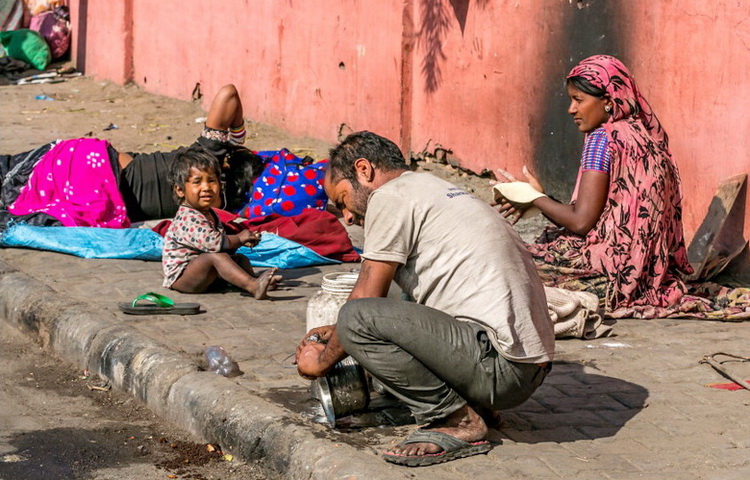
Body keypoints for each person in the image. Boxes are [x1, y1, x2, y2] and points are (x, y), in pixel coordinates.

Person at [295, 131, 554, 467]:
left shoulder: (390, 196)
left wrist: (320, 362)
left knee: (356, 319)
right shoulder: (430, 188)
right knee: (386, 307)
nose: (346, 217)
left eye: (342, 200)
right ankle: (476, 406)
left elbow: (365, 298)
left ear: (364, 170)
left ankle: (457, 420)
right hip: (523, 368)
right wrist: (334, 334)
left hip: (500, 369)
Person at [494, 55, 694, 318]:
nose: (571, 109)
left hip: (611, 274)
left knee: (505, 261)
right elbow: (603, 214)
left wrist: (533, 197)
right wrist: (543, 198)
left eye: (579, 100)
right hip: (647, 274)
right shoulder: (644, 137)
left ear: (608, 102)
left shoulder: (602, 140)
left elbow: (581, 223)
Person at [0, 84, 264, 230]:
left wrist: (236, 137)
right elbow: (228, 92)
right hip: (91, 170)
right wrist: (234, 141)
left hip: (87, 165)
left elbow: (229, 93)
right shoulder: (208, 167)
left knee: (16, 180)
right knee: (19, 191)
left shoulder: (208, 159)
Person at [162, 145, 280, 299]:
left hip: (203, 272)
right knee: (215, 257)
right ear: (180, 190)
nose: (206, 187)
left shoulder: (209, 213)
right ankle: (253, 285)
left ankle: (254, 282)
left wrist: (243, 241)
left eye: (211, 180)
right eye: (197, 182)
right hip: (182, 278)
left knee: (239, 259)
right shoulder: (188, 217)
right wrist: (238, 238)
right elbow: (213, 244)